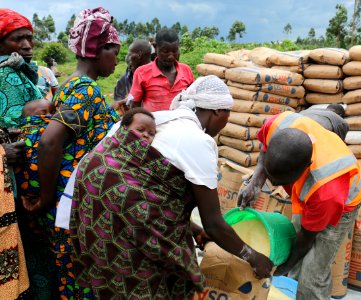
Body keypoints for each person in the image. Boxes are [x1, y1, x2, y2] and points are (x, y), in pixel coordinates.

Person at [71, 75, 273, 299]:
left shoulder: (159, 118)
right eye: (228, 114)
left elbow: (158, 193)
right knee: (143, 276)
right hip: (121, 204)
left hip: (92, 190)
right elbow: (214, 223)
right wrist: (254, 257)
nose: (227, 120)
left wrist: (194, 230)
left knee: (109, 266)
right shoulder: (198, 140)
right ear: (218, 111)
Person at [21, 7, 120, 299]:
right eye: (115, 52)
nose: (116, 61)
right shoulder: (85, 89)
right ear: (100, 50)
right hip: (72, 207)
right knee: (81, 283)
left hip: (70, 205)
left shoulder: (68, 87)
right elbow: (51, 141)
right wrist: (47, 198)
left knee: (71, 278)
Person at [239, 111, 361, 299]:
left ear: (306, 167)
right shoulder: (277, 124)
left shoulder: (326, 190)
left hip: (342, 204)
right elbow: (265, 149)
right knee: (292, 250)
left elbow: (306, 240)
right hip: (309, 193)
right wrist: (256, 182)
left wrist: (277, 270)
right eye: (271, 175)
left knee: (313, 274)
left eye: (281, 180)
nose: (273, 184)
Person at [0, 8, 45, 299]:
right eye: (19, 39)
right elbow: (23, 129)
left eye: (30, 38)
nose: (27, 45)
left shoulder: (21, 71)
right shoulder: (10, 77)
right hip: (17, 179)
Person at [128, 28, 194, 111]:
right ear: (155, 48)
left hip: (182, 121)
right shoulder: (142, 73)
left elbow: (193, 100)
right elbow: (135, 106)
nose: (171, 56)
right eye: (165, 51)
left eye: (174, 51)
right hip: (154, 123)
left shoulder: (186, 70)